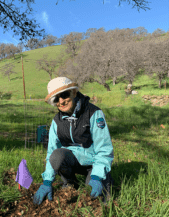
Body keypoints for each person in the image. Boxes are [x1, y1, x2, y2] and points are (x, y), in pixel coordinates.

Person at [33, 77, 114, 205]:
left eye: (64, 95)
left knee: (97, 200)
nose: (61, 101)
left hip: (93, 163)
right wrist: (47, 182)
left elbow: (104, 149)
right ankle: (70, 183)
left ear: (74, 92)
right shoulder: (56, 122)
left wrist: (97, 176)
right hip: (73, 161)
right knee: (57, 155)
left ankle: (101, 177)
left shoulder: (93, 113)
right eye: (56, 99)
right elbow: (52, 153)